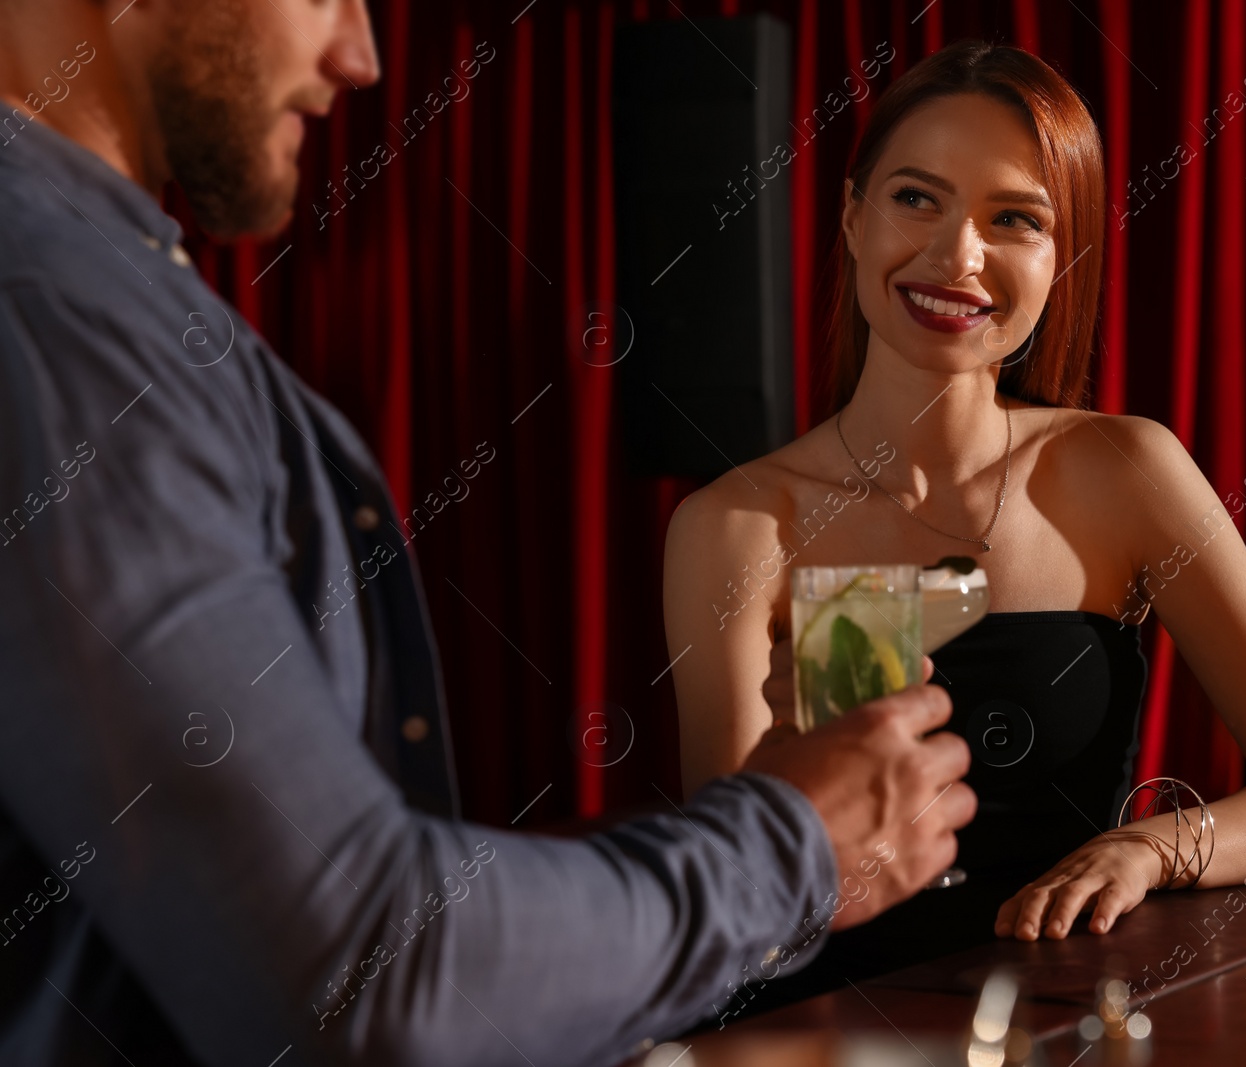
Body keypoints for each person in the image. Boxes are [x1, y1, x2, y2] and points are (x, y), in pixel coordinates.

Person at [0, 2, 977, 1065]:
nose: (358, 58)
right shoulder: (57, 315)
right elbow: (367, 976)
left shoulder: (99, 286)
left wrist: (776, 833)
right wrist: (794, 848)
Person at [664, 40, 1246, 999]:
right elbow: (736, 899)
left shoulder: (1126, 469)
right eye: (915, 198)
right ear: (851, 216)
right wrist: (808, 778)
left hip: (1068, 1020)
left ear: (1062, 258)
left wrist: (1150, 848)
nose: (955, 256)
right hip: (822, 1027)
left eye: (1014, 218)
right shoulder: (741, 521)